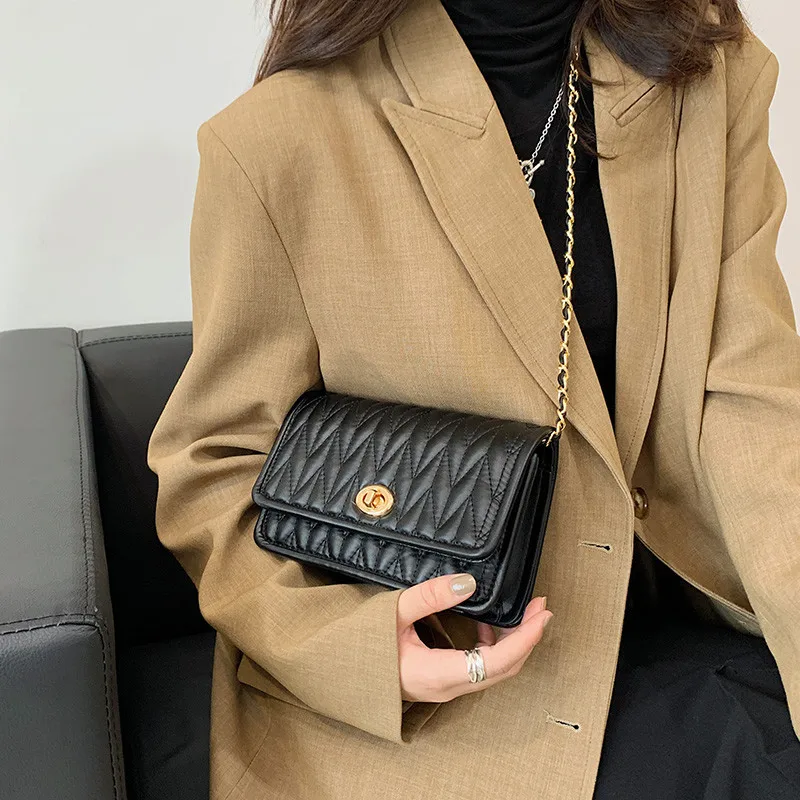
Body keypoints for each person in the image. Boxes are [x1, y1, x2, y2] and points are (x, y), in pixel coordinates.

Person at [146, 0, 800, 797]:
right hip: (452, 684)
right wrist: (358, 647)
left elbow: (752, 399)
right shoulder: (279, 138)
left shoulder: (703, 69)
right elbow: (215, 465)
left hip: (678, 613)